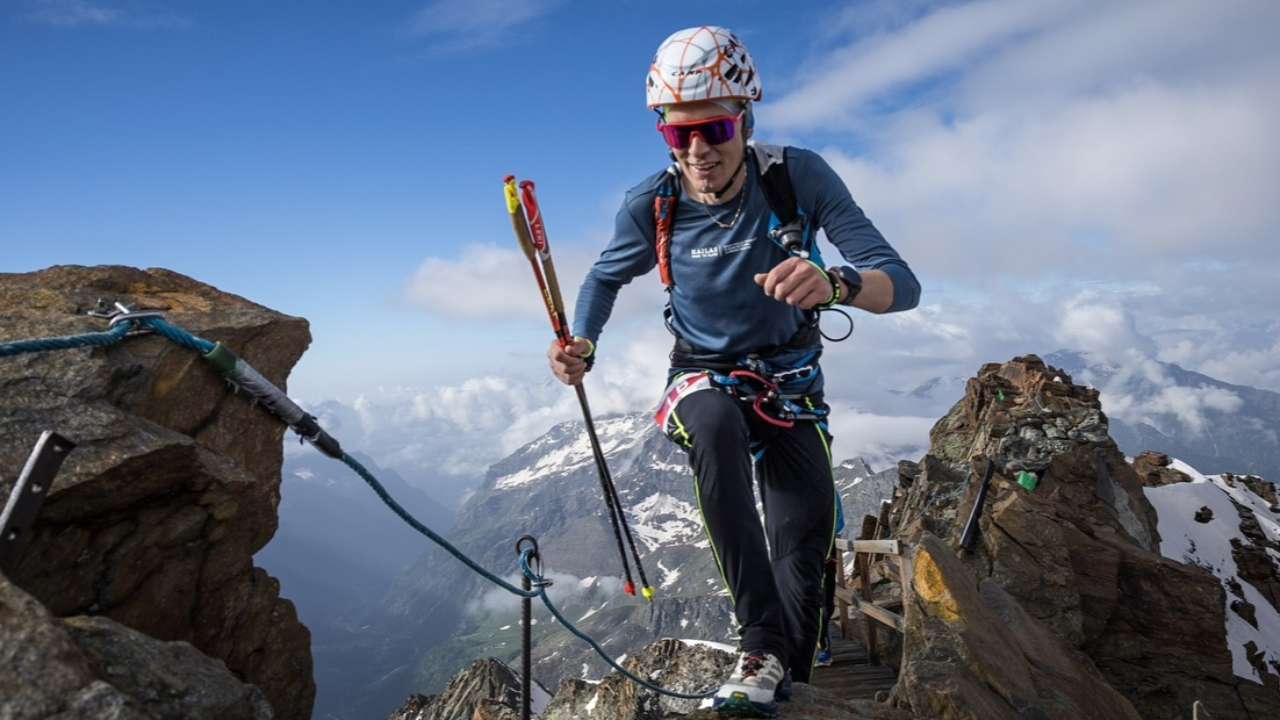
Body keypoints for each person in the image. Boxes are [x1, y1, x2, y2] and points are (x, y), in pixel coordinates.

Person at [548, 25, 920, 718]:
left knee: (804, 551)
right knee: (715, 432)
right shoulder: (653, 202)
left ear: (745, 119)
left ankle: (785, 668)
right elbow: (603, 280)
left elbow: (902, 283)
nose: (696, 150)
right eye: (676, 134)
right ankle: (758, 645)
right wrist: (585, 346)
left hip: (791, 387)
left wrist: (833, 282)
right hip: (702, 376)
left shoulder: (795, 177)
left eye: (714, 128)